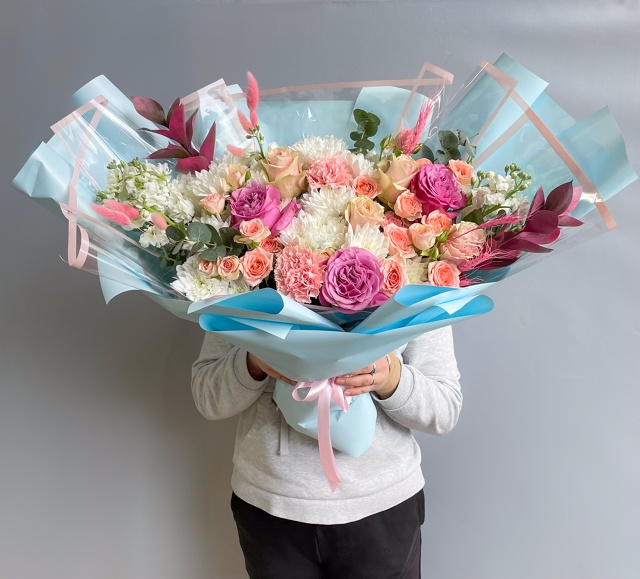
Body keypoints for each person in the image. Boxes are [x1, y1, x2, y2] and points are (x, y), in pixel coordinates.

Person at [192, 325, 461, 579]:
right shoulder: (238, 294)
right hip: (270, 507)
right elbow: (208, 398)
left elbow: (444, 411)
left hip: (382, 509)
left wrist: (390, 377)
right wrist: (253, 362)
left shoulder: (418, 291)